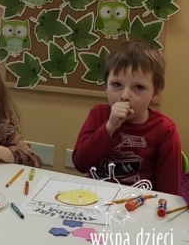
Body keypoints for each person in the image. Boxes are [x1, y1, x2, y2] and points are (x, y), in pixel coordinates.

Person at [73, 42, 182, 194]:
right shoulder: (98, 114)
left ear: (156, 93)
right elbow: (81, 163)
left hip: (140, 202)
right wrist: (109, 127)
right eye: (117, 84)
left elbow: (170, 191)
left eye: (138, 87)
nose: (124, 96)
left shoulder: (165, 130)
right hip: (97, 197)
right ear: (106, 86)